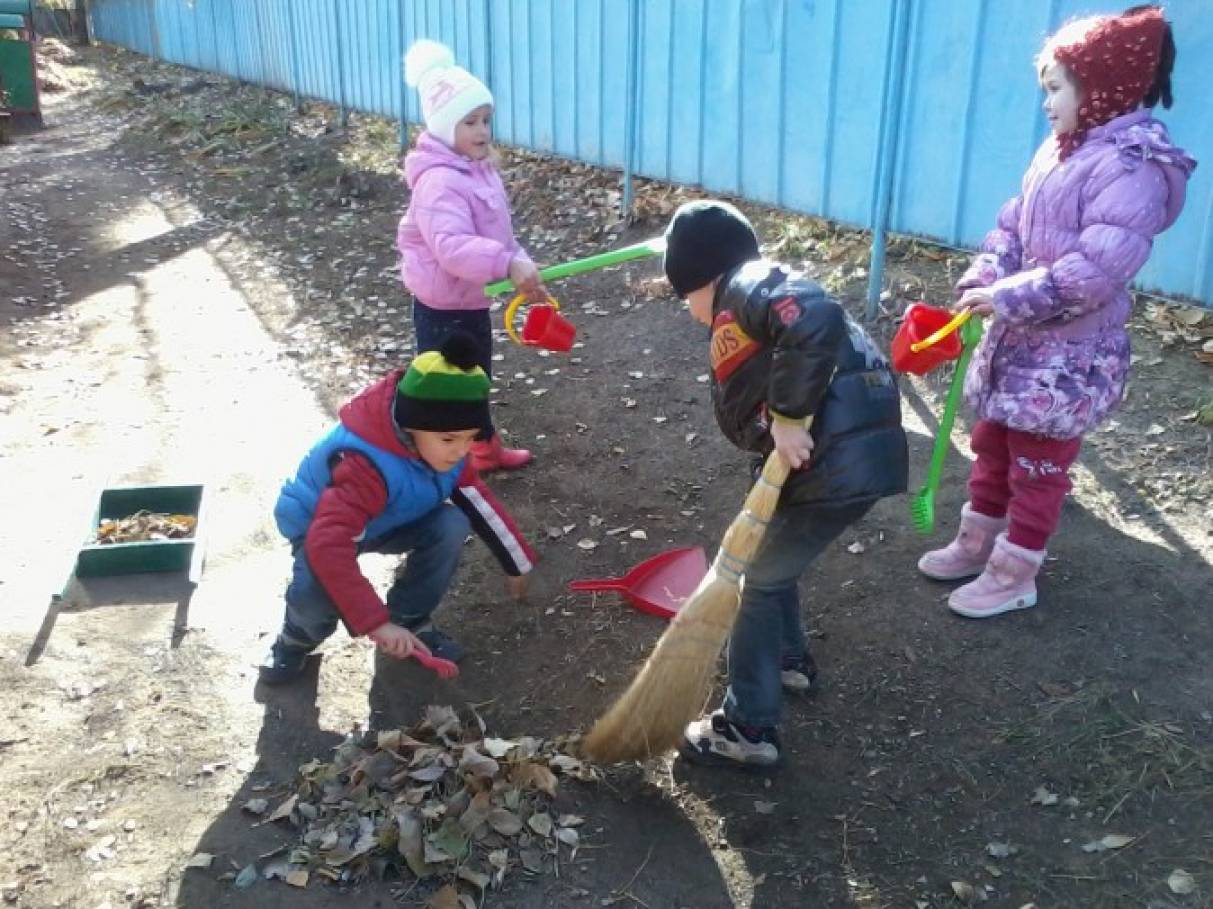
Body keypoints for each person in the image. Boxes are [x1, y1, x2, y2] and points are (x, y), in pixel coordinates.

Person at [918, 5, 1195, 619]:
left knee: (1038, 465)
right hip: (1020, 338)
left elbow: (1096, 272)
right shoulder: (1062, 150)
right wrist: (987, 276)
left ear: (1104, 87)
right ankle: (978, 540)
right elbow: (1013, 225)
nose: (1046, 101)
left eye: (1056, 87)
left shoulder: (1133, 169)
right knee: (991, 441)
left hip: (1067, 354)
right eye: (1045, 88)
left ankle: (1016, 572)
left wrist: (1010, 296)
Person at [662, 200, 908, 768]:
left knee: (754, 581)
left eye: (687, 297)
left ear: (705, 277)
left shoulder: (749, 284)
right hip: (847, 458)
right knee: (771, 562)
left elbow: (813, 319)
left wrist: (792, 416)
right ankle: (787, 660)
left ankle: (749, 727)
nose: (692, 312)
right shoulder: (752, 303)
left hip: (836, 464)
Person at [259, 332, 536, 685]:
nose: (460, 451)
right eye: (450, 439)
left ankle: (410, 617)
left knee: (451, 523)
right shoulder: (363, 464)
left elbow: (475, 497)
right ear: (411, 426)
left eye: (470, 438)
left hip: (386, 517)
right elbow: (328, 544)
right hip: (320, 528)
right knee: (316, 589)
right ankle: (295, 639)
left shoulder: (447, 449)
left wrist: (515, 561)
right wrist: (375, 622)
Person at [396, 39, 546, 474]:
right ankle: (442, 464)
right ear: (445, 128)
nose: (482, 131)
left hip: (471, 299)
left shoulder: (479, 172)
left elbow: (499, 235)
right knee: (449, 387)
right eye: (469, 122)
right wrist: (505, 264)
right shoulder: (439, 182)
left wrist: (523, 267)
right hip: (442, 305)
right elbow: (452, 248)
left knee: (476, 379)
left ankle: (482, 449)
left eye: (485, 120)